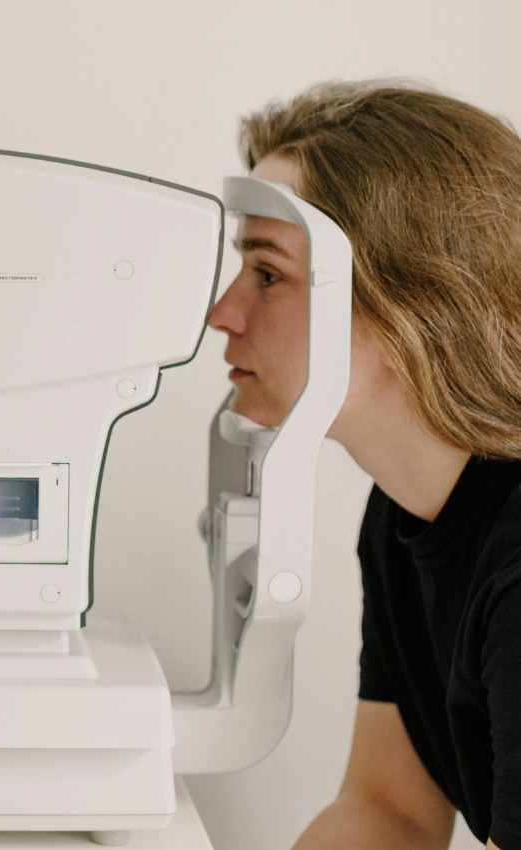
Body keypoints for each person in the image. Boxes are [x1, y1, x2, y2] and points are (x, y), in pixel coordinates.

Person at [208, 82, 521, 850]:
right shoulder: (404, 514)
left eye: (268, 273)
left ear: (412, 298)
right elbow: (389, 810)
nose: (224, 311)